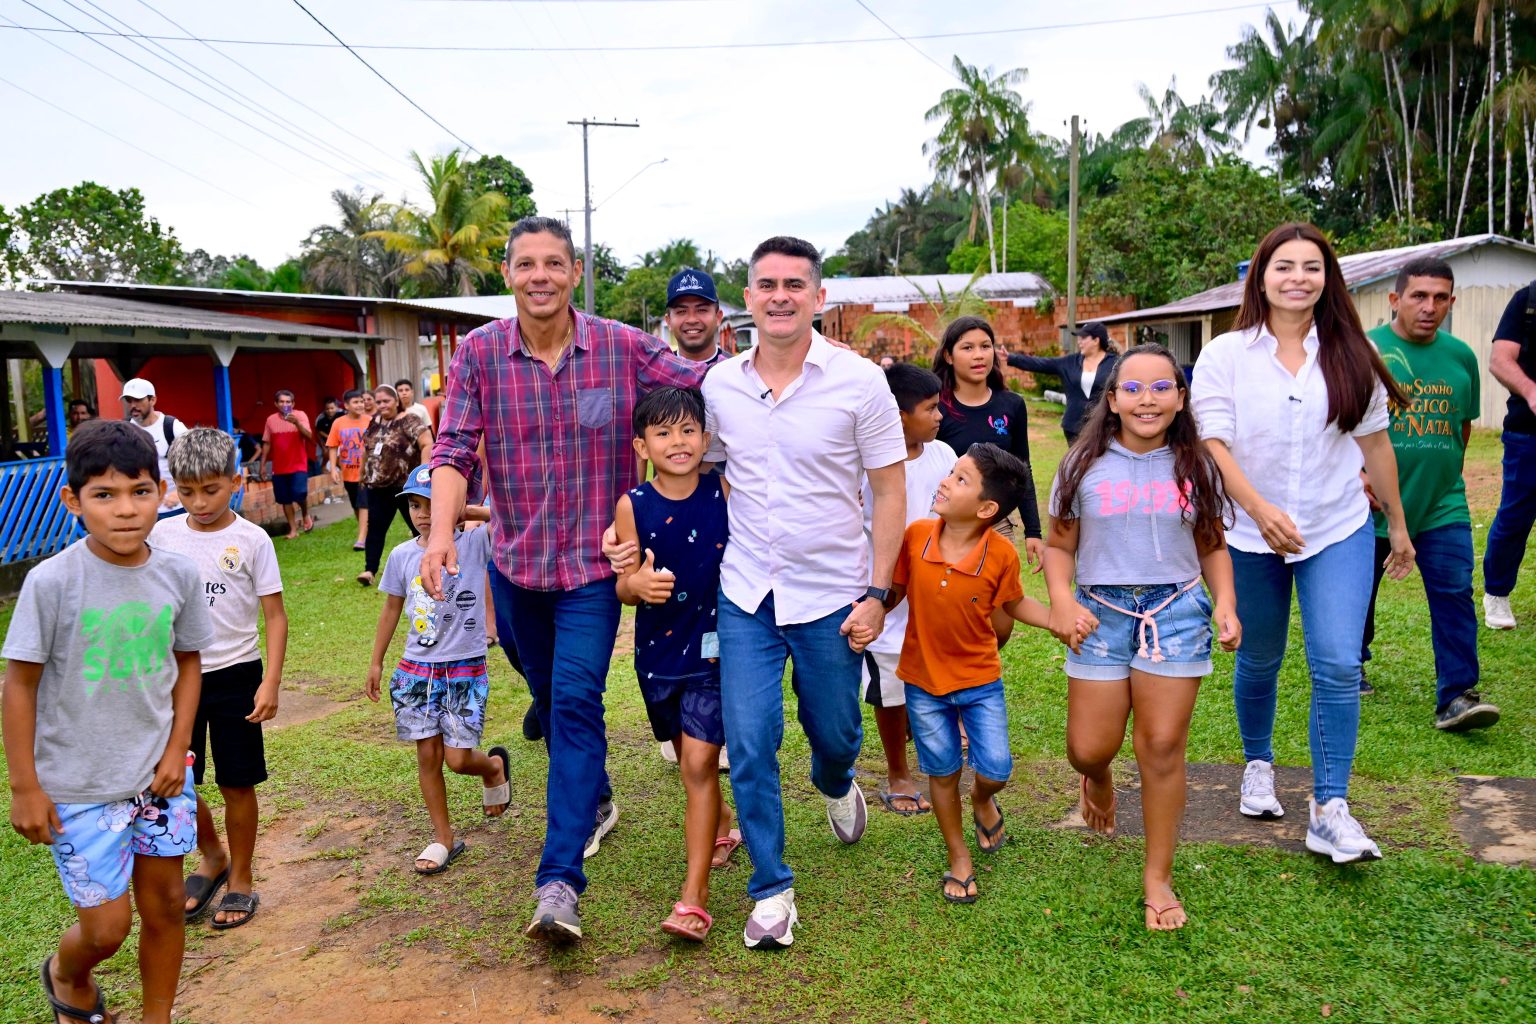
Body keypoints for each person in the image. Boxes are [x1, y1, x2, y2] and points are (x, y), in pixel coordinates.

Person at [423, 216, 710, 943]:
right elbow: (453, 449)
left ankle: (558, 884)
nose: (540, 277)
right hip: (515, 568)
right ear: (508, 274)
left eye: (554, 263)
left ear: (576, 272)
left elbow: (707, 385)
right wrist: (440, 534)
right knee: (549, 697)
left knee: (576, 702)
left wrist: (787, 355)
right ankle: (596, 795)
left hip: (591, 570)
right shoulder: (480, 353)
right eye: (526, 264)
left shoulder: (621, 346)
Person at [699, 236, 907, 951]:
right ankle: (771, 888)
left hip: (831, 595)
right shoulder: (720, 387)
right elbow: (706, 469)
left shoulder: (859, 382)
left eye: (794, 284)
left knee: (835, 732)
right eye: (767, 284)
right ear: (747, 299)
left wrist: (878, 592)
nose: (780, 296)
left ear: (818, 297)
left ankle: (836, 780)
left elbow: (889, 490)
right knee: (750, 742)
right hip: (747, 592)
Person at [1191, 222, 1414, 864]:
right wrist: (1259, 511)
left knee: (1339, 663)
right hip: (1248, 532)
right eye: (1283, 266)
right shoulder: (1226, 355)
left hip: (1336, 527)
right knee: (1260, 656)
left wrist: (1398, 527)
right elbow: (1213, 443)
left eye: (1311, 267)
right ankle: (1258, 764)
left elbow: (1375, 445)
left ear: (1328, 278)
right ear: (1260, 277)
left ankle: (1330, 807)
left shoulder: (1353, 353)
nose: (1298, 277)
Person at [2, 420, 213, 1024]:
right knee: (106, 929)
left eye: (140, 491)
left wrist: (177, 749)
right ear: (73, 500)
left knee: (167, 906)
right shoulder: (51, 582)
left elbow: (188, 662)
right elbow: (19, 685)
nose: (125, 509)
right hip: (80, 786)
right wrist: (25, 786)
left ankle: (157, 1018)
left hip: (160, 777)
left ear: (161, 492)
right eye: (104, 494)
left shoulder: (177, 574)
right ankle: (67, 973)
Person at [1045, 345, 1241, 930]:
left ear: (1180, 398)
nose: (1146, 399)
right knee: (1088, 749)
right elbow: (1059, 546)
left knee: (1160, 747)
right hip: (1100, 614)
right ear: (1112, 400)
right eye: (1132, 388)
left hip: (1175, 612)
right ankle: (1098, 779)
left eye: (1161, 387)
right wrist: (1061, 602)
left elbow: (1212, 545)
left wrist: (1225, 603)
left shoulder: (1198, 466)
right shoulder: (1081, 465)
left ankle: (1158, 877)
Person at [880, 443, 1060, 905]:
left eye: (960, 479)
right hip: (923, 684)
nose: (945, 481)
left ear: (986, 509)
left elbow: (1014, 604)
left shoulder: (1000, 554)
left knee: (996, 768)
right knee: (942, 772)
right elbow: (894, 592)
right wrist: (867, 612)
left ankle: (982, 798)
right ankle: (959, 857)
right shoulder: (916, 536)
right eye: (951, 473)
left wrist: (1057, 620)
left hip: (980, 683)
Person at [612, 387, 739, 942]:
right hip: (658, 655)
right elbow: (624, 584)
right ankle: (722, 822)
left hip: (716, 648)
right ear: (642, 445)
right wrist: (635, 585)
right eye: (663, 433)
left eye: (688, 430)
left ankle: (694, 897)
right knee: (688, 756)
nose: (678, 442)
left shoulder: (724, 490)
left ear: (705, 439)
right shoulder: (632, 505)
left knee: (698, 764)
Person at [152, 429, 288, 930]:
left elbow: (274, 616)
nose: (199, 502)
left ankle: (242, 878)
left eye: (211, 490)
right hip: (174, 678)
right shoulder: (162, 536)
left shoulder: (252, 540)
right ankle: (212, 856)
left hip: (236, 674)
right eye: (187, 492)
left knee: (237, 781)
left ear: (236, 481)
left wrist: (270, 682)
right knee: (176, 780)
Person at [1360, 258, 1500, 731]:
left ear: (1452, 303)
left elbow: (1461, 429)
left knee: (1455, 591)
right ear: (1395, 299)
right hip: (1368, 504)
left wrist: (1446, 481)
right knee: (1359, 594)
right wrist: (1356, 475)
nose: (1429, 307)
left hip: (1443, 503)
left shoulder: (1461, 357)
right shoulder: (1365, 351)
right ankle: (1352, 662)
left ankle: (1457, 695)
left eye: (1440, 298)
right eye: (1418, 296)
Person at [365, 466, 509, 874]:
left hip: (464, 668)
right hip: (416, 671)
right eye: (415, 505)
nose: (423, 514)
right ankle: (443, 838)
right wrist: (376, 660)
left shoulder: (475, 543)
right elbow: (391, 608)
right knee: (427, 756)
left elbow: (511, 514)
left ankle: (493, 767)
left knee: (458, 760)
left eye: (433, 505)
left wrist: (467, 511)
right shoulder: (401, 555)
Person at [859, 363, 956, 816]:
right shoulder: (864, 464)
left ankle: (942, 748)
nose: (940, 415)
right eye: (931, 408)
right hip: (886, 597)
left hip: (936, 594)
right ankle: (898, 772)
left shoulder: (944, 455)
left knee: (938, 674)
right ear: (899, 416)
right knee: (890, 688)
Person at [932, 317, 1044, 577]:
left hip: (997, 523)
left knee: (998, 599)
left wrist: (1033, 531)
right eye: (967, 347)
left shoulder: (1012, 405)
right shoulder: (936, 408)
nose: (979, 355)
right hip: (945, 524)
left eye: (985, 346)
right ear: (948, 356)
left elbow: (1022, 470)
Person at [1483, 280, 1536, 630]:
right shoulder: (1528, 300)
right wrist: (1531, 392)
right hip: (1528, 431)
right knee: (1516, 515)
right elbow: (1500, 359)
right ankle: (1497, 594)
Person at [359, 384, 433, 587]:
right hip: (378, 486)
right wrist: (362, 473)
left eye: (386, 401)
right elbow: (366, 449)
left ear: (396, 401)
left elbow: (427, 443)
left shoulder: (410, 420)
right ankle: (369, 570)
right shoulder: (374, 422)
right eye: (379, 401)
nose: (382, 405)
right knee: (375, 528)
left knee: (419, 524)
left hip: (405, 486)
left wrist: (423, 472)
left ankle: (431, 560)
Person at [1004, 320, 1117, 443]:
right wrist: (1011, 358)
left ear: (1096, 340)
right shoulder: (1069, 362)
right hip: (1074, 426)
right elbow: (1040, 363)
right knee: (1079, 456)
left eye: (1084, 338)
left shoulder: (1115, 364)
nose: (1079, 341)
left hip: (1104, 425)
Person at [121, 377, 189, 518]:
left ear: (152, 400)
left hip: (176, 507)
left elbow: (197, 462)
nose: (133, 405)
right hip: (141, 510)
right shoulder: (123, 430)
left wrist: (181, 491)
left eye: (138, 400)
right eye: (129, 400)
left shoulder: (172, 426)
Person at [259, 390, 315, 540]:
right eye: (282, 402)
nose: (285, 404)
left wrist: (296, 423)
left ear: (293, 403)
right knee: (285, 499)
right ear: (276, 404)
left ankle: (305, 514)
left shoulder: (300, 416)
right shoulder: (270, 420)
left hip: (298, 464)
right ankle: (293, 530)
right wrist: (262, 465)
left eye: (288, 402)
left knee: (299, 493)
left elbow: (309, 436)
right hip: (279, 467)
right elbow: (267, 443)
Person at [327, 389, 373, 552]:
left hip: (367, 472)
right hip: (348, 473)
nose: (360, 405)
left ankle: (361, 539)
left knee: (364, 503)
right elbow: (333, 446)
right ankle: (366, 532)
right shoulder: (338, 423)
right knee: (356, 505)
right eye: (356, 402)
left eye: (361, 401)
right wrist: (333, 468)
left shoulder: (371, 421)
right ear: (346, 405)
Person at [664, 268, 732, 368]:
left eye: (701, 310)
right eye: (681, 311)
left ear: (718, 317)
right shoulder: (659, 371)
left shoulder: (738, 371)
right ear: (668, 321)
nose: (692, 320)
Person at [313, 396, 343, 472]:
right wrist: (327, 441)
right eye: (327, 409)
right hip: (326, 444)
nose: (330, 410)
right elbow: (319, 432)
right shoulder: (321, 419)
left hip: (341, 443)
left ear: (336, 407)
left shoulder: (342, 415)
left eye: (332, 408)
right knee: (326, 458)